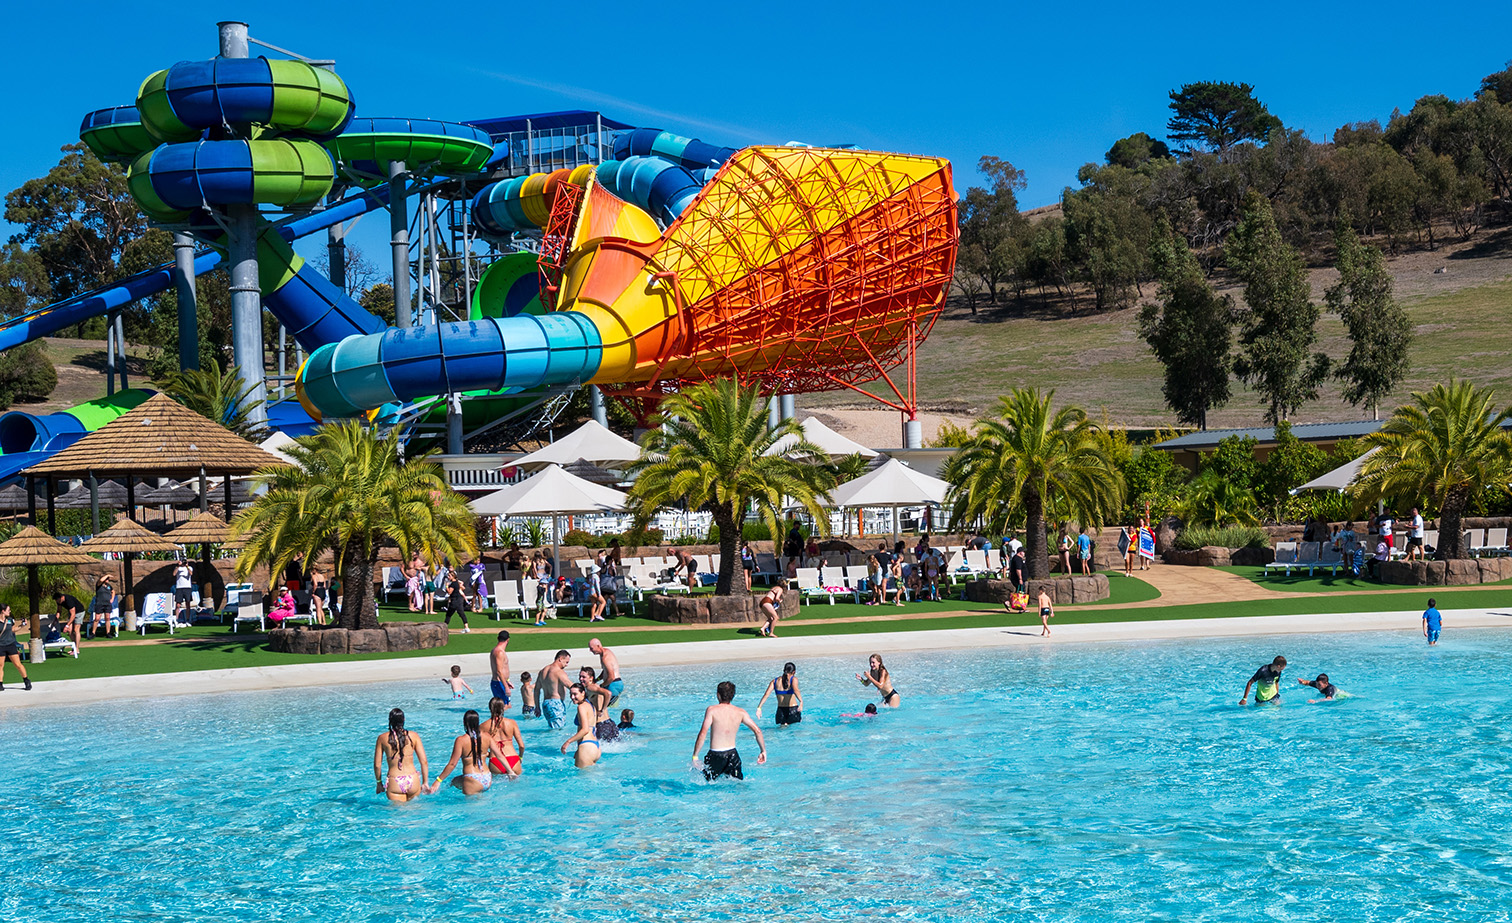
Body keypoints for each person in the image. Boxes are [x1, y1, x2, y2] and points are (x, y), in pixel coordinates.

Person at [691, 680, 767, 781]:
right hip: (733, 755)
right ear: (733, 695)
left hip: (715, 755)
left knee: (709, 783)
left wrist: (695, 756)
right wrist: (763, 751)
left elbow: (703, 733)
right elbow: (757, 731)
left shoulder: (712, 710)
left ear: (718, 695)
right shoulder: (741, 712)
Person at [430, 709, 497, 794]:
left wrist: (438, 780)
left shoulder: (461, 740)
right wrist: (510, 772)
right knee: (455, 781)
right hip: (487, 777)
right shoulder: (487, 736)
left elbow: (452, 764)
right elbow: (498, 755)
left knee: (471, 805)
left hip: (472, 778)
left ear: (465, 722)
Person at [373, 707, 430, 803]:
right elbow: (424, 761)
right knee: (415, 813)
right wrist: (425, 782)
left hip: (395, 781)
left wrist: (379, 782)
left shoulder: (382, 738)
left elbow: (377, 765)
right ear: (404, 720)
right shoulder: (414, 736)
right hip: (413, 779)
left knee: (398, 816)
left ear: (390, 721)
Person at [561, 684, 602, 768]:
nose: (572, 697)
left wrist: (568, 742)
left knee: (580, 778)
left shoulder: (581, 707)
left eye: (575, 694)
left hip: (586, 746)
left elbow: (585, 730)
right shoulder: (591, 706)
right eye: (571, 694)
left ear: (583, 693)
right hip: (595, 747)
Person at [482, 696, 524, 776]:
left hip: (495, 760)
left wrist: (489, 754)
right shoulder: (512, 723)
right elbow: (521, 746)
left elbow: (479, 750)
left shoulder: (483, 726)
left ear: (490, 708)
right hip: (513, 759)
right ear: (503, 708)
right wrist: (520, 757)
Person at [538, 649, 575, 729]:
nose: (566, 665)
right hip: (556, 704)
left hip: (545, 704)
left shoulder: (542, 671)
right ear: (560, 659)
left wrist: (537, 707)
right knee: (558, 730)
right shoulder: (559, 672)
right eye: (566, 662)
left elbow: (537, 690)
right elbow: (570, 685)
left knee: (552, 728)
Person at [0, 604, 32, 691]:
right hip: (0, 646)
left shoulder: (9, 620)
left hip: (10, 644)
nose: (9, 611)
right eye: (8, 610)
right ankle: (0, 683)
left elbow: (13, 629)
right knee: (0, 665)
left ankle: (26, 680)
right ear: (3, 610)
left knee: (18, 664)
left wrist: (22, 625)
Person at [588, 637, 623, 705]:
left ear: (598, 646)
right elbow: (605, 671)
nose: (590, 650)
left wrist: (602, 686)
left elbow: (611, 677)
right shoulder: (604, 653)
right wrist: (596, 680)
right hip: (613, 684)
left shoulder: (606, 658)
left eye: (591, 648)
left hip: (613, 684)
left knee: (609, 708)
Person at [53, 590, 84, 655]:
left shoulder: (69, 600)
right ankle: (74, 647)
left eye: (58, 600)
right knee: (70, 631)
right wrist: (56, 619)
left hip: (79, 612)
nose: (58, 602)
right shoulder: (59, 601)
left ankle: (77, 649)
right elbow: (59, 611)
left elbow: (73, 614)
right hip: (71, 613)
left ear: (61, 597)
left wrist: (67, 625)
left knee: (76, 630)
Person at [90, 574, 117, 639]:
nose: (107, 580)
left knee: (107, 618)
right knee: (97, 618)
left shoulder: (108, 586)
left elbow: (113, 591)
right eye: (106, 579)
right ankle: (93, 633)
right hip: (99, 603)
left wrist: (112, 599)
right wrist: (107, 575)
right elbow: (101, 580)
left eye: (108, 579)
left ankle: (108, 633)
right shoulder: (99, 585)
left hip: (107, 604)